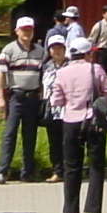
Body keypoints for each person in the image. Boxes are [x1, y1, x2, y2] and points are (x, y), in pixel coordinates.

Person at [50, 36, 107, 213]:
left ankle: (69, 210)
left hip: (71, 121)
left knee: (71, 165)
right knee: (96, 165)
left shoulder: (62, 72)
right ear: (88, 54)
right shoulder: (96, 69)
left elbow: (56, 100)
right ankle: (95, 210)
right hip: (94, 121)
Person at [0, 16, 46, 183]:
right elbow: (1, 75)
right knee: (10, 134)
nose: (27, 33)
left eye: (29, 30)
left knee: (30, 135)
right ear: (17, 31)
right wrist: (0, 97)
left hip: (33, 98)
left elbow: (43, 75)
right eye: (24, 30)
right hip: (16, 97)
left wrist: (43, 96)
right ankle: (2, 171)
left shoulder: (40, 51)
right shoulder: (8, 50)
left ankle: (27, 172)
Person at [39, 34, 70, 172]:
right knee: (54, 141)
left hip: (70, 109)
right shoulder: (45, 67)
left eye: (59, 48)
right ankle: (57, 170)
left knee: (70, 141)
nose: (57, 51)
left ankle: (71, 169)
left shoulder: (72, 66)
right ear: (49, 50)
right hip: (51, 109)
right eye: (53, 48)